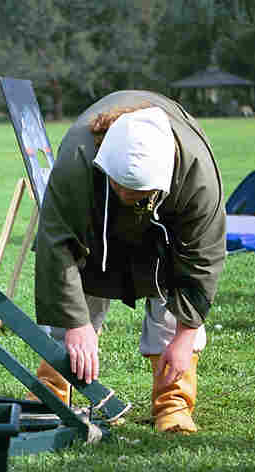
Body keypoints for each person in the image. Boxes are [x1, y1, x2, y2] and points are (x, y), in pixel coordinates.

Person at [31, 90, 226, 433]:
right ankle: (52, 392)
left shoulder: (197, 176)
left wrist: (185, 336)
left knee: (170, 291)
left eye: (135, 195)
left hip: (165, 234)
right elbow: (57, 242)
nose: (125, 199)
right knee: (76, 298)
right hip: (93, 228)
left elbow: (202, 259)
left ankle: (173, 403)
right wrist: (76, 325)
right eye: (119, 188)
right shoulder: (77, 159)